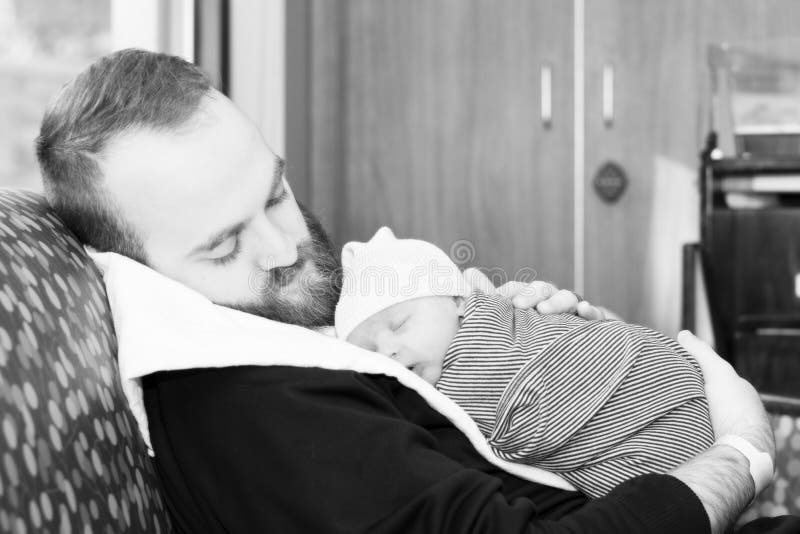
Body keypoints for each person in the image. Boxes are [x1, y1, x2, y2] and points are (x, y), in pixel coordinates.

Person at [34, 48, 795, 533]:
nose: (284, 247)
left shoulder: (286, 328)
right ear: (138, 271)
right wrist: (742, 454)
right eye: (223, 245)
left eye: (274, 193)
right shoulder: (248, 412)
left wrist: (536, 348)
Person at [334, 226, 715, 499]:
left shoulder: (487, 334)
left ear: (459, 302)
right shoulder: (413, 395)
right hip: (681, 461)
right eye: (370, 352)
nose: (389, 352)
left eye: (400, 324)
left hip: (651, 386)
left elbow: (568, 355)